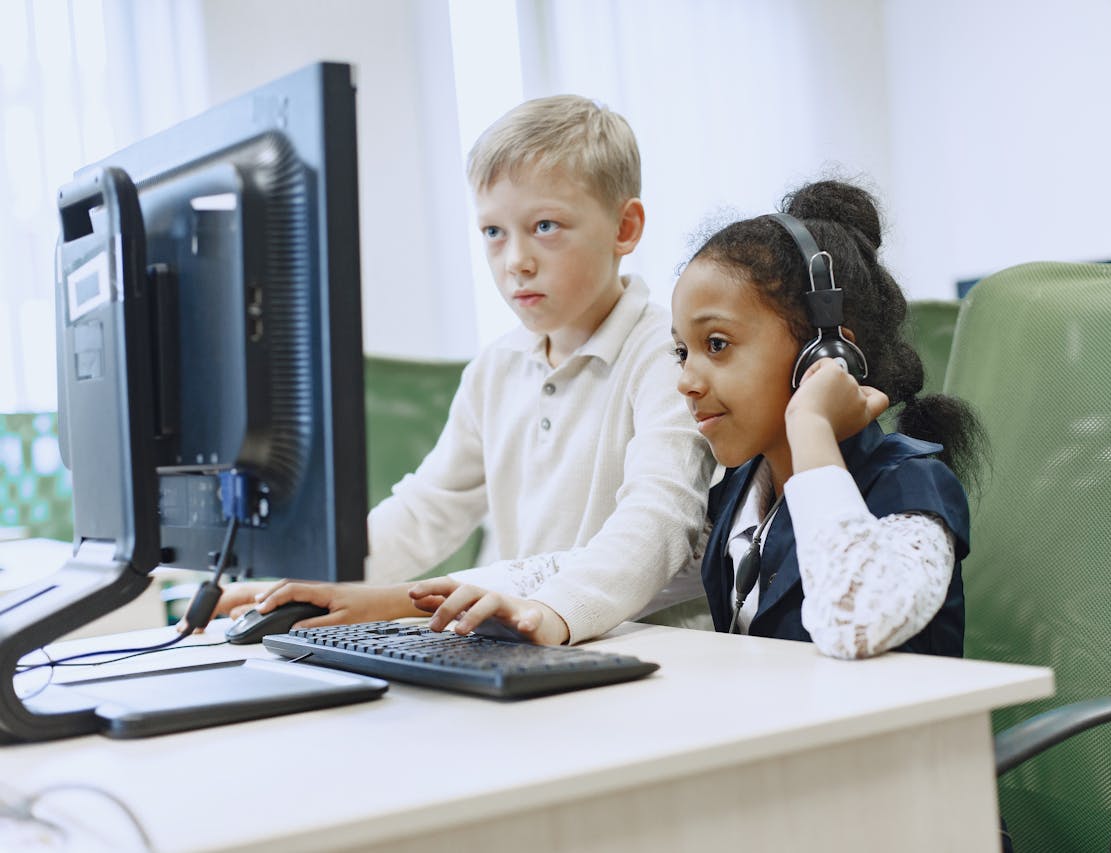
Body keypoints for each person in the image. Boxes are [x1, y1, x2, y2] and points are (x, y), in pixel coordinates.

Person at [215, 95, 713, 645]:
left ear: (625, 228)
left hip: (649, 648)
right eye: (493, 232)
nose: (515, 260)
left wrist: (553, 610)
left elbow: (659, 520)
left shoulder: (668, 357)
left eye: (545, 226)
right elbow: (426, 508)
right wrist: (305, 584)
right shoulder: (496, 369)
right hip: (519, 640)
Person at [670, 178, 986, 661]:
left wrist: (812, 424)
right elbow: (636, 568)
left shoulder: (913, 491)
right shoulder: (739, 498)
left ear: (824, 351)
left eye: (717, 344)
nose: (686, 380)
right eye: (681, 351)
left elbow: (856, 625)